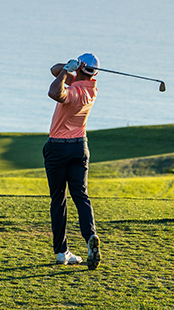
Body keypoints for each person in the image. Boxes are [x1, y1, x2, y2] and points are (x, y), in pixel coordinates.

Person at [44, 52, 102, 270]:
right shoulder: (91, 88)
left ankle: (61, 251)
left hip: (58, 148)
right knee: (81, 195)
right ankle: (90, 237)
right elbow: (53, 69)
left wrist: (68, 70)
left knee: (59, 199)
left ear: (79, 70)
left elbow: (53, 91)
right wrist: (70, 67)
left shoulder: (75, 91)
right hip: (80, 147)